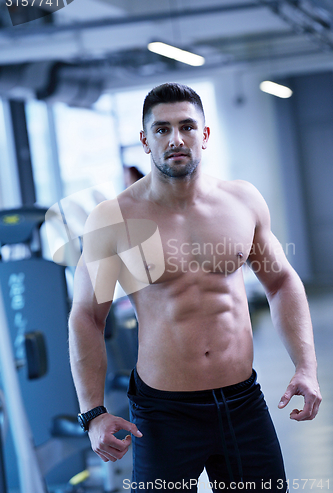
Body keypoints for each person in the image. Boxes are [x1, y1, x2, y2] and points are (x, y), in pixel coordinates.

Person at [68, 83, 322, 492]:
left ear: (204, 135)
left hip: (243, 403)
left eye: (187, 126)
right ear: (145, 141)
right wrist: (92, 412)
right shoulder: (113, 220)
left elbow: (280, 282)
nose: (176, 139)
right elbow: (86, 315)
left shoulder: (242, 201)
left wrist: (306, 367)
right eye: (162, 129)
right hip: (164, 415)